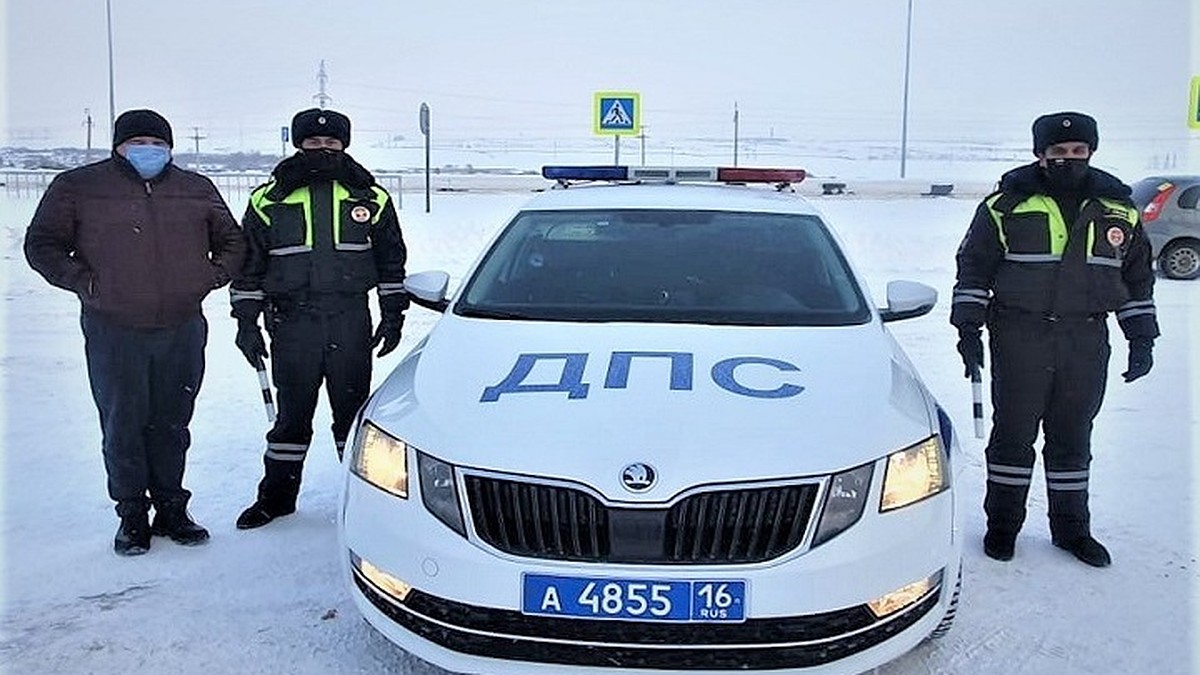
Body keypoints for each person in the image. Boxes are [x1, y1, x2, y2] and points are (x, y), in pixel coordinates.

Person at [24, 108, 246, 556]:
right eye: (137, 144)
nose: (149, 152)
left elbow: (233, 240)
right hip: (114, 329)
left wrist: (210, 277)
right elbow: (42, 244)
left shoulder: (195, 188)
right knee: (123, 423)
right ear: (118, 147)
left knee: (171, 421)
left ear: (170, 148)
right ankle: (131, 515)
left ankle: (171, 509)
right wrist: (85, 283)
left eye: (157, 144)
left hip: (181, 326)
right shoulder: (78, 187)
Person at [951, 111, 1158, 568]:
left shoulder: (1118, 210)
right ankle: (1002, 526)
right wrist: (968, 328)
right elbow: (974, 268)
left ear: (1090, 152)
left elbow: (1136, 280)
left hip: (1084, 338)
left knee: (1072, 436)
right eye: (1058, 152)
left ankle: (1071, 531)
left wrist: (1141, 338)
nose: (1068, 159)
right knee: (1013, 436)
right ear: (1040, 154)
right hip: (1019, 334)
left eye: (1077, 152)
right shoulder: (1004, 205)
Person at [230, 107, 409, 529]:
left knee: (352, 417)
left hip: (349, 319)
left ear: (344, 145)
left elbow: (390, 260)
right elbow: (249, 266)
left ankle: (365, 502)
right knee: (292, 417)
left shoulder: (371, 197)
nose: (323, 150)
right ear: (299, 144)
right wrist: (245, 322)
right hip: (293, 322)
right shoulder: (268, 198)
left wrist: (392, 313)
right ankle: (276, 499)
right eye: (313, 143)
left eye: (331, 143)